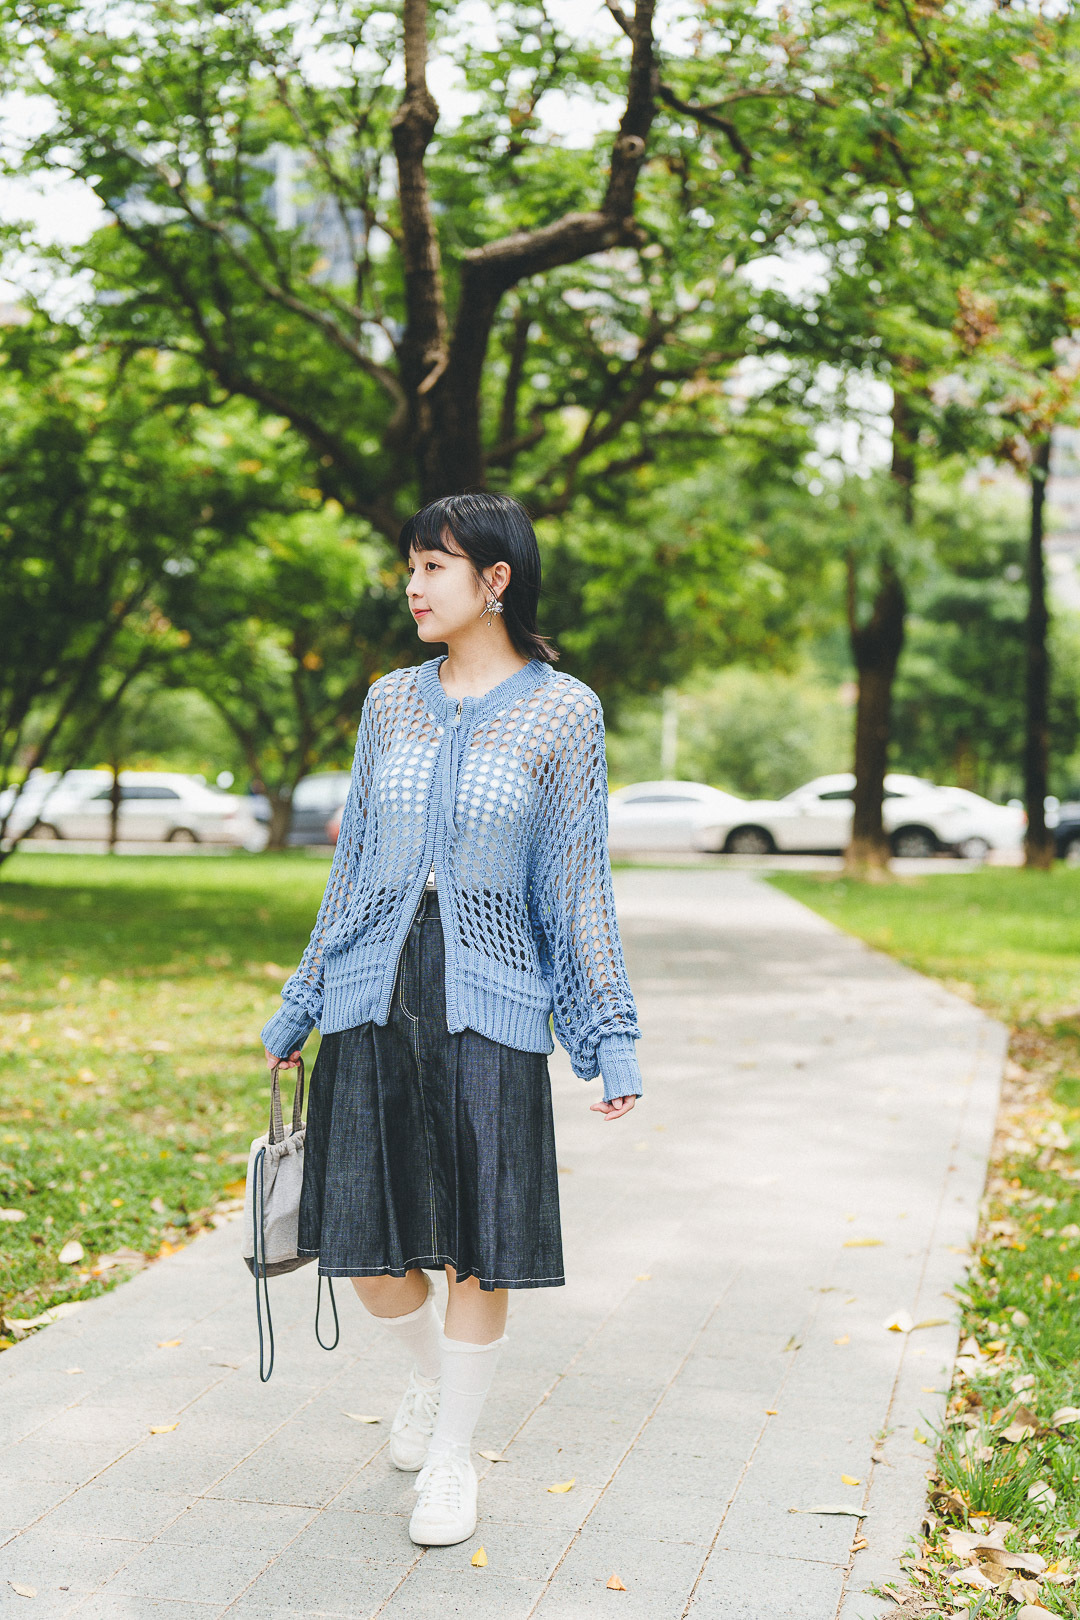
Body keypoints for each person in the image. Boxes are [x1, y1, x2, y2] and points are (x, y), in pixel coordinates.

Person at [260, 491, 642, 1547]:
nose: (414, 586)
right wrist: (303, 998)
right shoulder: (390, 703)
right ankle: (430, 1383)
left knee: (479, 1241)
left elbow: (576, 883)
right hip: (373, 990)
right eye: (412, 567)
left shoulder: (564, 713)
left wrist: (607, 1036)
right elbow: (353, 867)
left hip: (494, 996)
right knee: (368, 1243)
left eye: (434, 566)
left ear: (495, 581)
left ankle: (452, 1459)